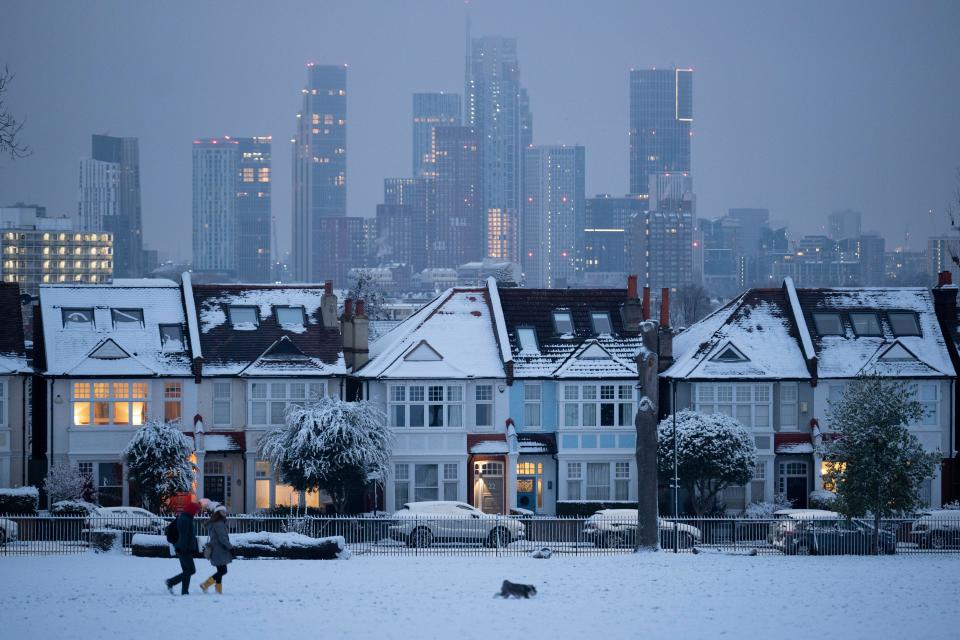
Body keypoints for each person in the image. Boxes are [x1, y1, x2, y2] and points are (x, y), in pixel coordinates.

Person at [164, 501, 200, 595]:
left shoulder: (186, 518)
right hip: (184, 549)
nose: (196, 513)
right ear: (192, 510)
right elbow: (183, 536)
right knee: (191, 570)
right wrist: (183, 548)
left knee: (186, 570)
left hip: (184, 548)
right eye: (195, 511)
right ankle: (171, 582)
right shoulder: (185, 520)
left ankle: (184, 591)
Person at [199, 505, 233, 594]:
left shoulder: (216, 522)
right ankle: (205, 584)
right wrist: (230, 546)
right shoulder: (219, 523)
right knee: (223, 571)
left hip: (216, 549)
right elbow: (222, 538)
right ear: (218, 513)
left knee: (220, 570)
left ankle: (218, 590)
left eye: (225, 511)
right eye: (223, 511)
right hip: (219, 550)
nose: (225, 513)